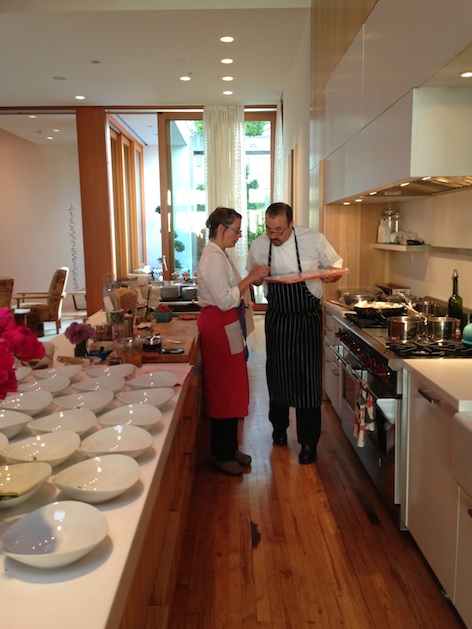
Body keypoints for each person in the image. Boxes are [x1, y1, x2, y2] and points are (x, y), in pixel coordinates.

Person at [247, 202, 343, 464]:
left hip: (307, 316)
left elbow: (335, 268)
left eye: (279, 230)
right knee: (276, 373)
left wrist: (328, 276)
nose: (273, 235)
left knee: (308, 379)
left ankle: (309, 442)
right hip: (277, 316)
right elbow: (253, 279)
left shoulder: (313, 239)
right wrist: (257, 276)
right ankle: (278, 429)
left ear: (291, 224)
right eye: (269, 229)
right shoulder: (259, 244)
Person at [197, 206, 270, 477]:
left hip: (226, 325)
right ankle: (221, 453)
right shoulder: (213, 258)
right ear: (220, 229)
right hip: (218, 326)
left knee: (233, 388)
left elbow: (232, 291)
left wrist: (251, 278)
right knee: (223, 390)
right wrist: (250, 278)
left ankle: (229, 446)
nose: (239, 235)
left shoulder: (219, 254)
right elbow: (226, 299)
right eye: (236, 230)